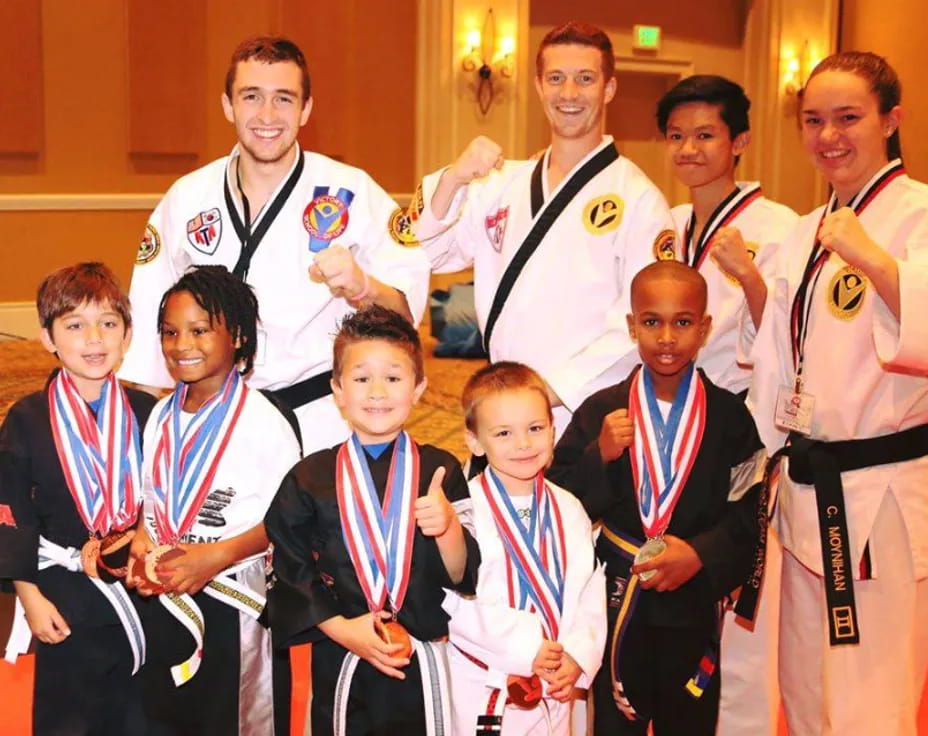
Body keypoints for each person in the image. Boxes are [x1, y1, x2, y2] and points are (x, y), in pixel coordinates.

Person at [120, 36, 430, 454]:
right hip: (211, 415)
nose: (267, 115)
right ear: (228, 105)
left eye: (284, 99)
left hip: (318, 418)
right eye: (251, 97)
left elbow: (406, 314)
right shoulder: (188, 197)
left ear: (306, 109)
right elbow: (150, 316)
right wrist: (147, 431)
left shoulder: (351, 191)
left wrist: (362, 287)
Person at [748, 51, 928, 735]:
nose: (830, 136)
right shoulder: (805, 230)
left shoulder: (917, 216)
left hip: (879, 494)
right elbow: (777, 359)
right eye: (814, 120)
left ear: (891, 119)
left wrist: (873, 260)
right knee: (802, 681)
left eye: (848, 118)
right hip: (804, 490)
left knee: (870, 693)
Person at [412, 21, 676, 438]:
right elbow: (429, 253)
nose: (568, 94)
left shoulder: (640, 200)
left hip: (583, 412)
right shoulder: (502, 183)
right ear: (538, 86)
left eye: (585, 79)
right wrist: (453, 179)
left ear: (609, 88)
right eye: (556, 78)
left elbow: (641, 324)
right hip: (502, 405)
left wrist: (549, 391)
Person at [549, 261, 766, 735]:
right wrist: (598, 457)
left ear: (704, 329)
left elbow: (752, 508)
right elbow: (559, 499)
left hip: (690, 597)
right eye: (652, 322)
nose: (666, 336)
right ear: (632, 327)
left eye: (682, 322)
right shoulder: (602, 409)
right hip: (616, 600)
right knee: (613, 722)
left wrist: (702, 554)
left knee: (689, 720)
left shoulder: (730, 417)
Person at [656, 74, 798, 736]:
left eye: (705, 135)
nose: (689, 149)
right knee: (678, 600)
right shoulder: (671, 223)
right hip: (672, 434)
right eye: (678, 136)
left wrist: (747, 276)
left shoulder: (782, 229)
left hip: (740, 432)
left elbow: (796, 341)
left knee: (741, 606)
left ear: (738, 141)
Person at [263, 305, 479, 736]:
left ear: (419, 388)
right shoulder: (310, 476)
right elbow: (288, 566)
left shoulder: (442, 470)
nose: (377, 392)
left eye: (394, 378)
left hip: (421, 659)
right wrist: (342, 629)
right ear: (338, 390)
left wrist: (448, 527)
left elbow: (462, 574)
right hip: (342, 656)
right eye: (361, 379)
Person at [128, 265, 301, 735]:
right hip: (166, 589)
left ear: (239, 336)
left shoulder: (266, 421)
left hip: (232, 597)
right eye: (170, 332)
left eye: (200, 330)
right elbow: (153, 496)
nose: (182, 344)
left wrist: (214, 557)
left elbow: (287, 520)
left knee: (229, 715)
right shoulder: (161, 413)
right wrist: (144, 540)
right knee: (166, 712)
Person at [0, 263, 155, 734]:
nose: (94, 339)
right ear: (48, 337)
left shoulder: (149, 412)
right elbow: (11, 512)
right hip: (61, 593)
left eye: (108, 323)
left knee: (139, 715)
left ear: (127, 335)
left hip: (136, 587)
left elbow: (166, 500)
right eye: (74, 325)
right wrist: (29, 597)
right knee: (68, 718)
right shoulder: (25, 418)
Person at [443, 361, 606, 735]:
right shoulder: (462, 511)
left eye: (535, 428)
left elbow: (590, 590)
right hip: (483, 682)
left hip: (554, 682)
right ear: (474, 440)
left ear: (553, 429)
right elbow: (451, 599)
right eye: (503, 433)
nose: (523, 444)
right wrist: (526, 645)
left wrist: (578, 654)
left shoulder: (569, 508)